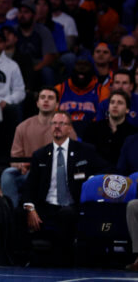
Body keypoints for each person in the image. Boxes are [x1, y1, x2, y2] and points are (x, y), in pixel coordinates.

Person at [22, 111, 110, 265]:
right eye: (54, 123)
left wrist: (91, 180)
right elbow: (30, 185)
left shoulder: (85, 150)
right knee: (18, 213)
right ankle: (22, 261)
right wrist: (30, 208)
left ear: (70, 128)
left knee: (66, 214)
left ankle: (62, 261)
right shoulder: (40, 155)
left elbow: (106, 169)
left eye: (62, 123)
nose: (57, 127)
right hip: (46, 206)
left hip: (73, 205)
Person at [83, 90, 137, 166]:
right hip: (96, 173)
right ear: (108, 107)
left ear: (127, 110)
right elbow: (86, 154)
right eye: (112, 102)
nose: (115, 105)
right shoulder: (93, 128)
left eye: (120, 103)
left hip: (123, 175)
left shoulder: (133, 133)